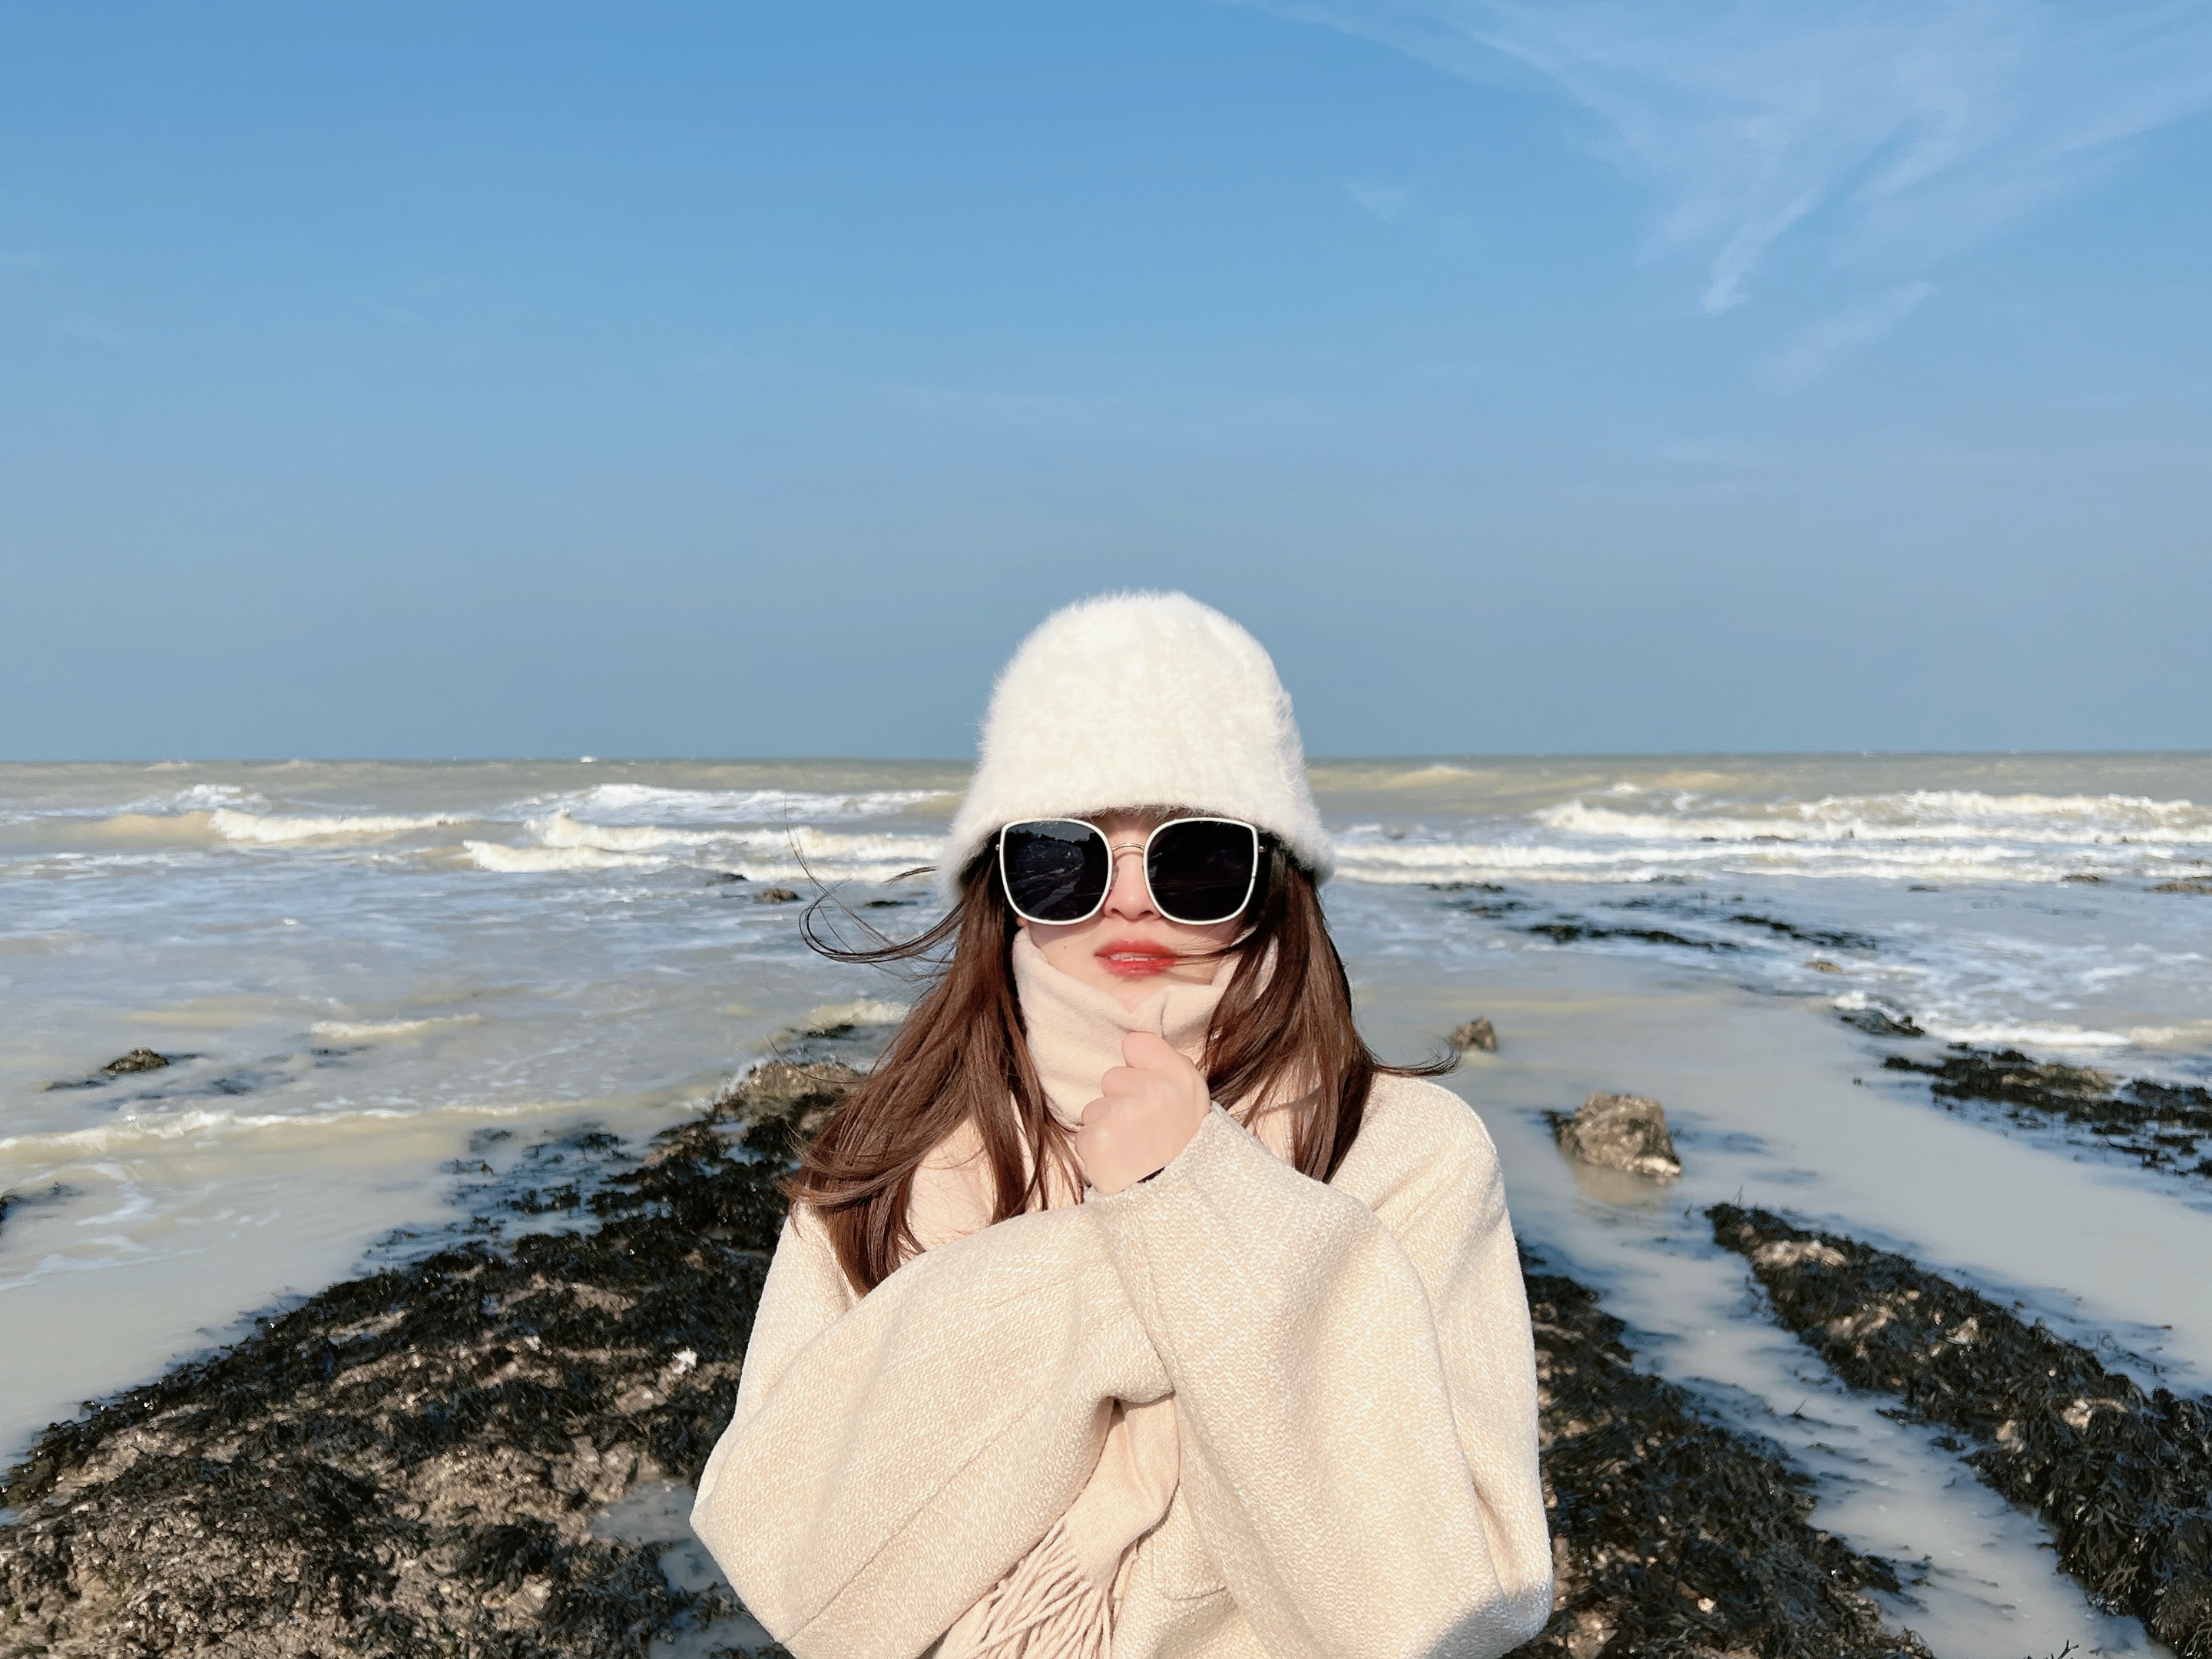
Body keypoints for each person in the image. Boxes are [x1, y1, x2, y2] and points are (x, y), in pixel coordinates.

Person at [692, 592, 1552, 1659]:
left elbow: (1442, 1615)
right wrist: (1128, 1253)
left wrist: (1201, 1199)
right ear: (1002, 883)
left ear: (1274, 878)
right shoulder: (899, 1151)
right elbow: (786, 1557)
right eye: (1067, 857)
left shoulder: (1408, 1153)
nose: (1133, 902)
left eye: (1198, 858)